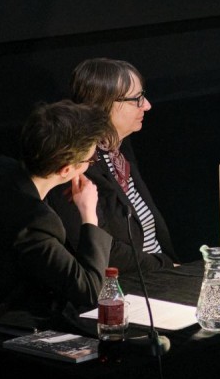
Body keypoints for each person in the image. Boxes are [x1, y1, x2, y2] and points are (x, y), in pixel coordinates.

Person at [0, 100, 118, 338]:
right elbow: (92, 292)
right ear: (65, 170)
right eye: (88, 162)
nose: (88, 167)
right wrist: (88, 214)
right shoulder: (35, 223)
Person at [46, 58, 179, 295]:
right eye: (136, 99)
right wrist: (165, 266)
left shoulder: (119, 147)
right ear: (103, 105)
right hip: (127, 287)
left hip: (159, 273)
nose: (146, 105)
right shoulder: (75, 164)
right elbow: (102, 248)